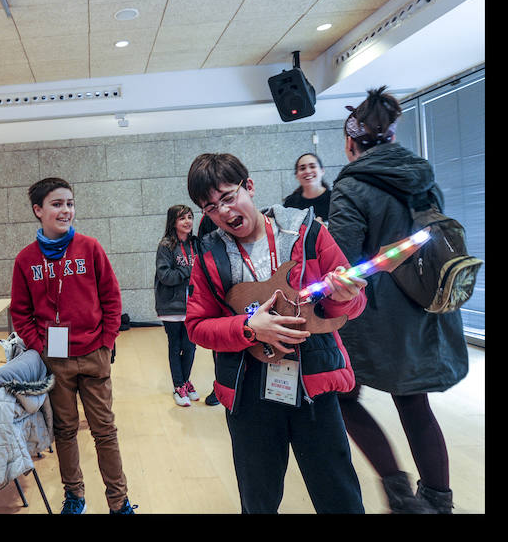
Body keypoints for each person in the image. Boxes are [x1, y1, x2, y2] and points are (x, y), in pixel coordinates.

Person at [184, 152, 368, 514]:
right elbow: (197, 326)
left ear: (249, 187)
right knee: (259, 497)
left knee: (338, 492)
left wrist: (344, 297)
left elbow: (354, 304)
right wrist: (249, 329)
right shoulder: (208, 256)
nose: (222, 212)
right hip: (248, 387)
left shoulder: (307, 232)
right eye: (210, 207)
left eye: (228, 197)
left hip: (314, 376)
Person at [328, 86, 467, 514]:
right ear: (390, 136)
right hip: (425, 309)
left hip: (376, 316)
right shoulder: (423, 177)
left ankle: (400, 494)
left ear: (351, 144)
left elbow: (342, 260)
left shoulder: (352, 187)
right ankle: (438, 503)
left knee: (342, 396)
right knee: (414, 403)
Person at [9, 177, 136, 514]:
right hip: (56, 360)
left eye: (69, 203)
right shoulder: (25, 260)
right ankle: (74, 496)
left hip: (94, 353)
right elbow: (20, 313)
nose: (65, 210)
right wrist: (41, 348)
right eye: (56, 204)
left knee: (104, 431)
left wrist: (107, 341)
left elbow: (111, 297)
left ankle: (119, 502)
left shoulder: (90, 248)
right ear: (38, 210)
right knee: (65, 431)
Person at [153, 205, 216, 407]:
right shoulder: (166, 246)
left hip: (192, 305)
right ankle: (178, 385)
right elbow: (165, 275)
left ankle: (185, 381)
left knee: (190, 346)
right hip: (171, 306)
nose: (187, 222)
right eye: (182, 218)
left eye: (189, 217)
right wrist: (186, 271)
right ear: (173, 222)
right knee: (176, 346)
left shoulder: (195, 244)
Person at [283, 152, 332, 223]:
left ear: (322, 171)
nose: (308, 171)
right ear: (296, 175)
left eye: (312, 166)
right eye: (302, 168)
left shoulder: (334, 200)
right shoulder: (290, 203)